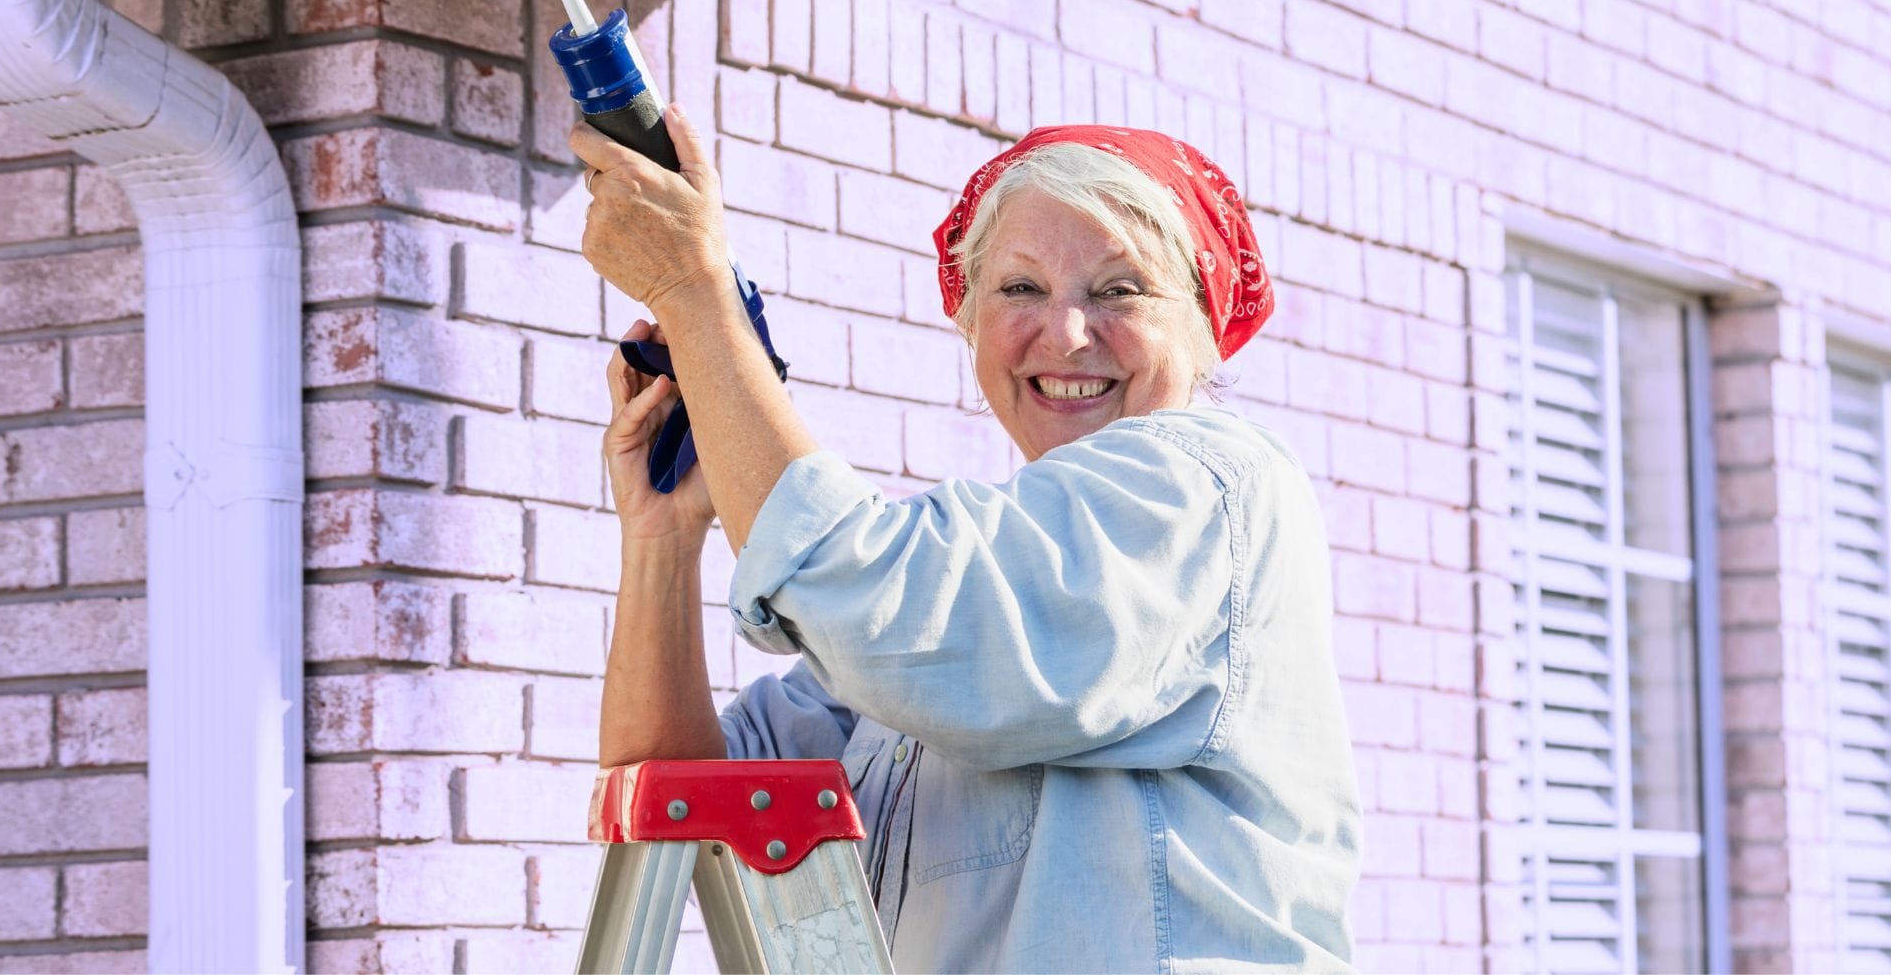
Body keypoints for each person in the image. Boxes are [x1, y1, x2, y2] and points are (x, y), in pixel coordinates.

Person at [575, 106, 1359, 972]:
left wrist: (696, 295)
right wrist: (663, 540)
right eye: (1020, 289)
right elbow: (690, 802)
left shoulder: (1203, 487)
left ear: (1207, 325)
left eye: (1120, 289)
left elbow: (883, 604)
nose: (1065, 334)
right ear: (972, 323)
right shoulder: (973, 585)